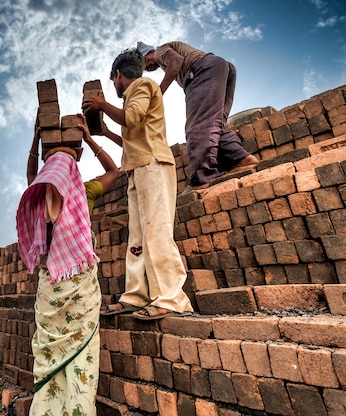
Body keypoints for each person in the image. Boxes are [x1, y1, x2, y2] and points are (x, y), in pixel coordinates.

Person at [17, 114, 118, 416]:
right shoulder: (84, 192)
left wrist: (36, 141)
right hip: (80, 288)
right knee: (81, 355)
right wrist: (90, 140)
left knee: (50, 354)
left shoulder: (37, 198)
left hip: (50, 290)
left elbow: (30, 178)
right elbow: (115, 170)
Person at [82, 48, 193, 320]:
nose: (115, 87)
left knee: (156, 232)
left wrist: (103, 106)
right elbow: (130, 137)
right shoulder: (135, 97)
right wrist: (105, 131)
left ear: (118, 75)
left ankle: (172, 299)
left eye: (114, 82)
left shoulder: (142, 85)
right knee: (138, 239)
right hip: (138, 169)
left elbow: (131, 118)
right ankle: (136, 295)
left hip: (153, 166)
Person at [136, 40, 258, 193]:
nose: (147, 68)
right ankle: (242, 158)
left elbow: (176, 61)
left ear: (146, 55)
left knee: (197, 127)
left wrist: (158, 94)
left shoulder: (160, 52)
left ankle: (202, 178)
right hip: (221, 68)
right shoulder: (164, 56)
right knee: (214, 124)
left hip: (203, 70)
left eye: (144, 64)